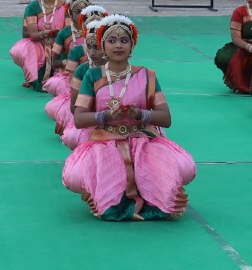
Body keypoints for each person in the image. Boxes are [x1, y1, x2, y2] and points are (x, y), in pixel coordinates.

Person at [61, 15, 196, 220]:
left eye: (124, 40)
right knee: (77, 178)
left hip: (142, 139)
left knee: (184, 169)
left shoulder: (147, 75)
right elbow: (79, 119)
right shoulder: (93, 75)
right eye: (112, 41)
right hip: (106, 142)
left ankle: (146, 196)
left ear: (132, 46)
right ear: (102, 45)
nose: (118, 45)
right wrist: (105, 115)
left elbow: (165, 118)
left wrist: (139, 114)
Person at [47, 5, 108, 143]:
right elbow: (75, 106)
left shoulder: (129, 71)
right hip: (90, 114)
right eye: (90, 46)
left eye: (98, 47)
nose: (92, 52)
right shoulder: (80, 61)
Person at [10, 0, 68, 90]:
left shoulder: (65, 6)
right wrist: (47, 33)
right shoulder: (33, 7)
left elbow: (68, 33)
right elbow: (32, 34)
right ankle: (35, 75)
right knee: (25, 48)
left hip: (61, 45)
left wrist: (58, 41)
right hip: (40, 46)